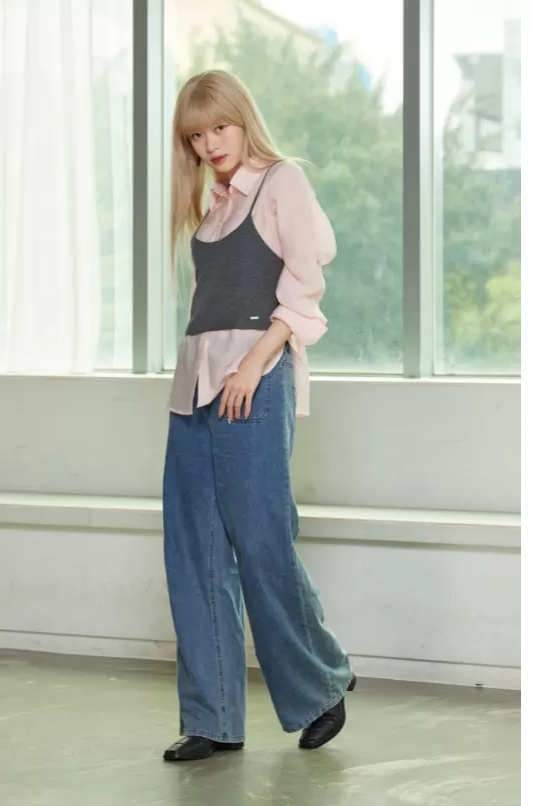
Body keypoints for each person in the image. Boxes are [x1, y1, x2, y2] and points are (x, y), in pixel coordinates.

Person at [162, 69, 355, 763]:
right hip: (194, 389)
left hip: (254, 381)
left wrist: (253, 364)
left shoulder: (282, 182)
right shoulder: (212, 203)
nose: (210, 144)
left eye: (219, 127)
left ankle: (321, 683)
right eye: (196, 135)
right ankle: (213, 717)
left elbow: (305, 284)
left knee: (262, 540)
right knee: (194, 549)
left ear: (243, 120)